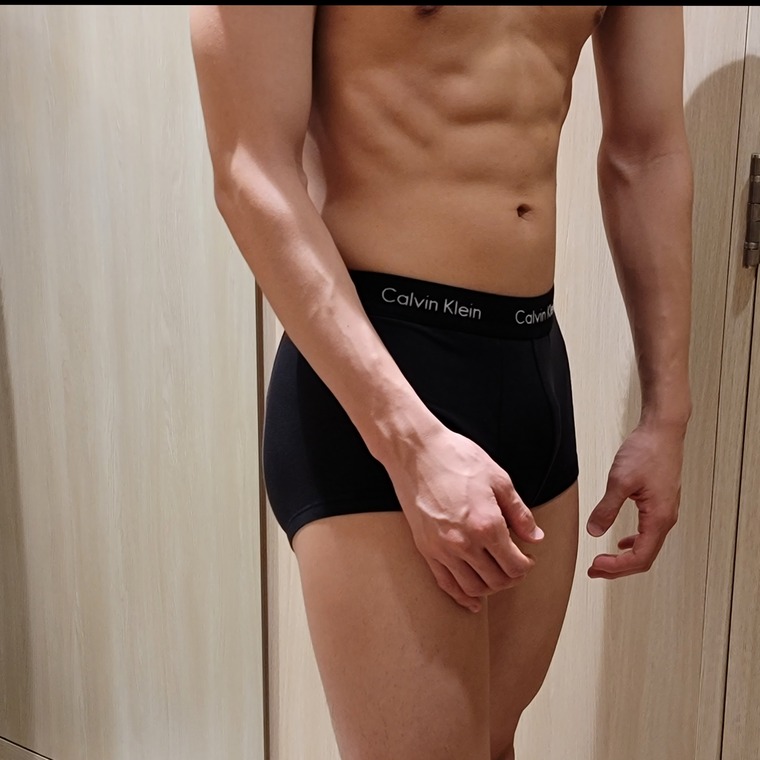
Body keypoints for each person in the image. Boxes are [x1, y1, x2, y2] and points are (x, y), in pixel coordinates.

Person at [189, 6, 693, 759]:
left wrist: (666, 415)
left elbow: (646, 154)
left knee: (491, 741)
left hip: (531, 358)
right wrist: (410, 444)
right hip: (383, 366)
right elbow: (249, 169)